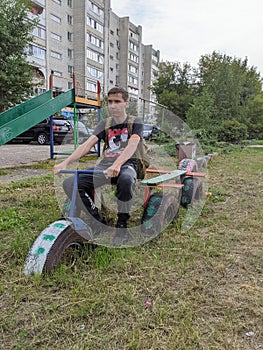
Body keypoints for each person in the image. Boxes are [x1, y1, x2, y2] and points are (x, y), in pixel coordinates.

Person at [53, 87, 143, 245]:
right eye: (110, 102)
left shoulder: (135, 122)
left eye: (117, 101)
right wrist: (65, 162)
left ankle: (122, 224)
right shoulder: (105, 124)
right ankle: (97, 221)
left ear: (126, 103)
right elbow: (86, 145)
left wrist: (117, 164)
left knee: (126, 180)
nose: (113, 105)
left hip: (129, 163)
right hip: (106, 165)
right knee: (70, 183)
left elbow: (133, 144)